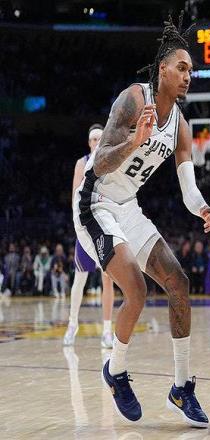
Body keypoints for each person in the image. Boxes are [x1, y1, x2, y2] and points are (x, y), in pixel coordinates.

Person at [73, 16, 210, 426]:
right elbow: (100, 162)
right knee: (136, 289)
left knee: (178, 283)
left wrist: (202, 207)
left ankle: (181, 387)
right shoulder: (134, 98)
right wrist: (134, 140)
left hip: (127, 206)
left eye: (191, 70)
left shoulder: (181, 126)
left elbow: (187, 189)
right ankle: (115, 371)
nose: (188, 76)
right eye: (182, 68)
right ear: (163, 69)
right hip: (95, 202)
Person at [63, 124, 116, 348]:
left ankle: (107, 331)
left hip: (104, 227)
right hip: (86, 227)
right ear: (89, 143)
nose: (96, 142)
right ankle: (72, 324)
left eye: (99, 138)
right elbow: (75, 197)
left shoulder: (111, 162)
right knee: (80, 279)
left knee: (108, 279)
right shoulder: (81, 163)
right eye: (93, 139)